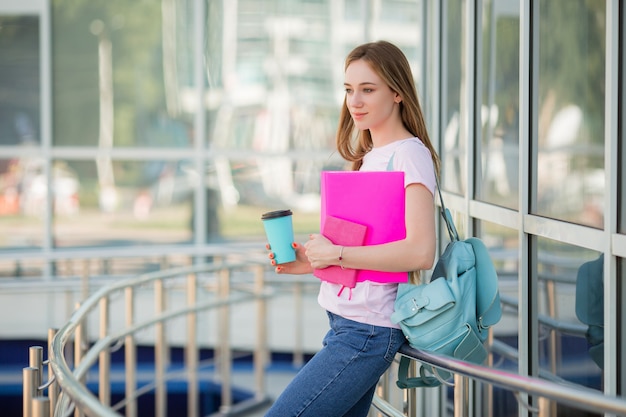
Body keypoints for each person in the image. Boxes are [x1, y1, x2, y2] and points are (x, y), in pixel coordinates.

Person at [265, 40, 440, 417]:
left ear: (397, 92)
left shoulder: (410, 154)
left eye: (367, 89)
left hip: (368, 333)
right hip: (345, 326)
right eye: (348, 90)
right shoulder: (365, 158)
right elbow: (370, 250)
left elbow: (420, 251)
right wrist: (313, 261)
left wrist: (338, 253)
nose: (354, 101)